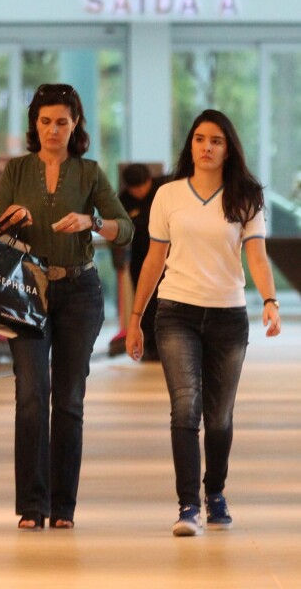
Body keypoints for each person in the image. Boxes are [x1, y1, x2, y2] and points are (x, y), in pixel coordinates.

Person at [126, 109, 281, 537]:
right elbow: (154, 260)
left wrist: (269, 300)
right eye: (199, 139)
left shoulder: (246, 196)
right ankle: (188, 505)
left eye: (215, 140)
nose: (206, 147)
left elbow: (255, 255)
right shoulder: (168, 195)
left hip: (229, 316)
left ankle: (215, 493)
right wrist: (136, 318)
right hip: (176, 312)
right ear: (190, 145)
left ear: (228, 148)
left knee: (219, 416)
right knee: (185, 408)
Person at [0, 83, 133, 530]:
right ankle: (32, 505)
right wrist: (10, 221)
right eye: (46, 121)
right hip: (26, 289)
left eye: (62, 122)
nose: (54, 130)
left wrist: (93, 221)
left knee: (69, 398)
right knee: (31, 393)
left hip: (79, 292)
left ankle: (63, 507)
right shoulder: (16, 170)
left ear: (76, 125)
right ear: (35, 124)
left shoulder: (89, 173)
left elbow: (126, 229)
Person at [119, 163, 169, 361]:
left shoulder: (163, 190)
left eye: (142, 186)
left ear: (149, 180)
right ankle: (149, 345)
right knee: (144, 300)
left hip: (167, 254)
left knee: (164, 300)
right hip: (139, 256)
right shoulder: (124, 200)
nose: (138, 192)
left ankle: (167, 345)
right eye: (134, 189)